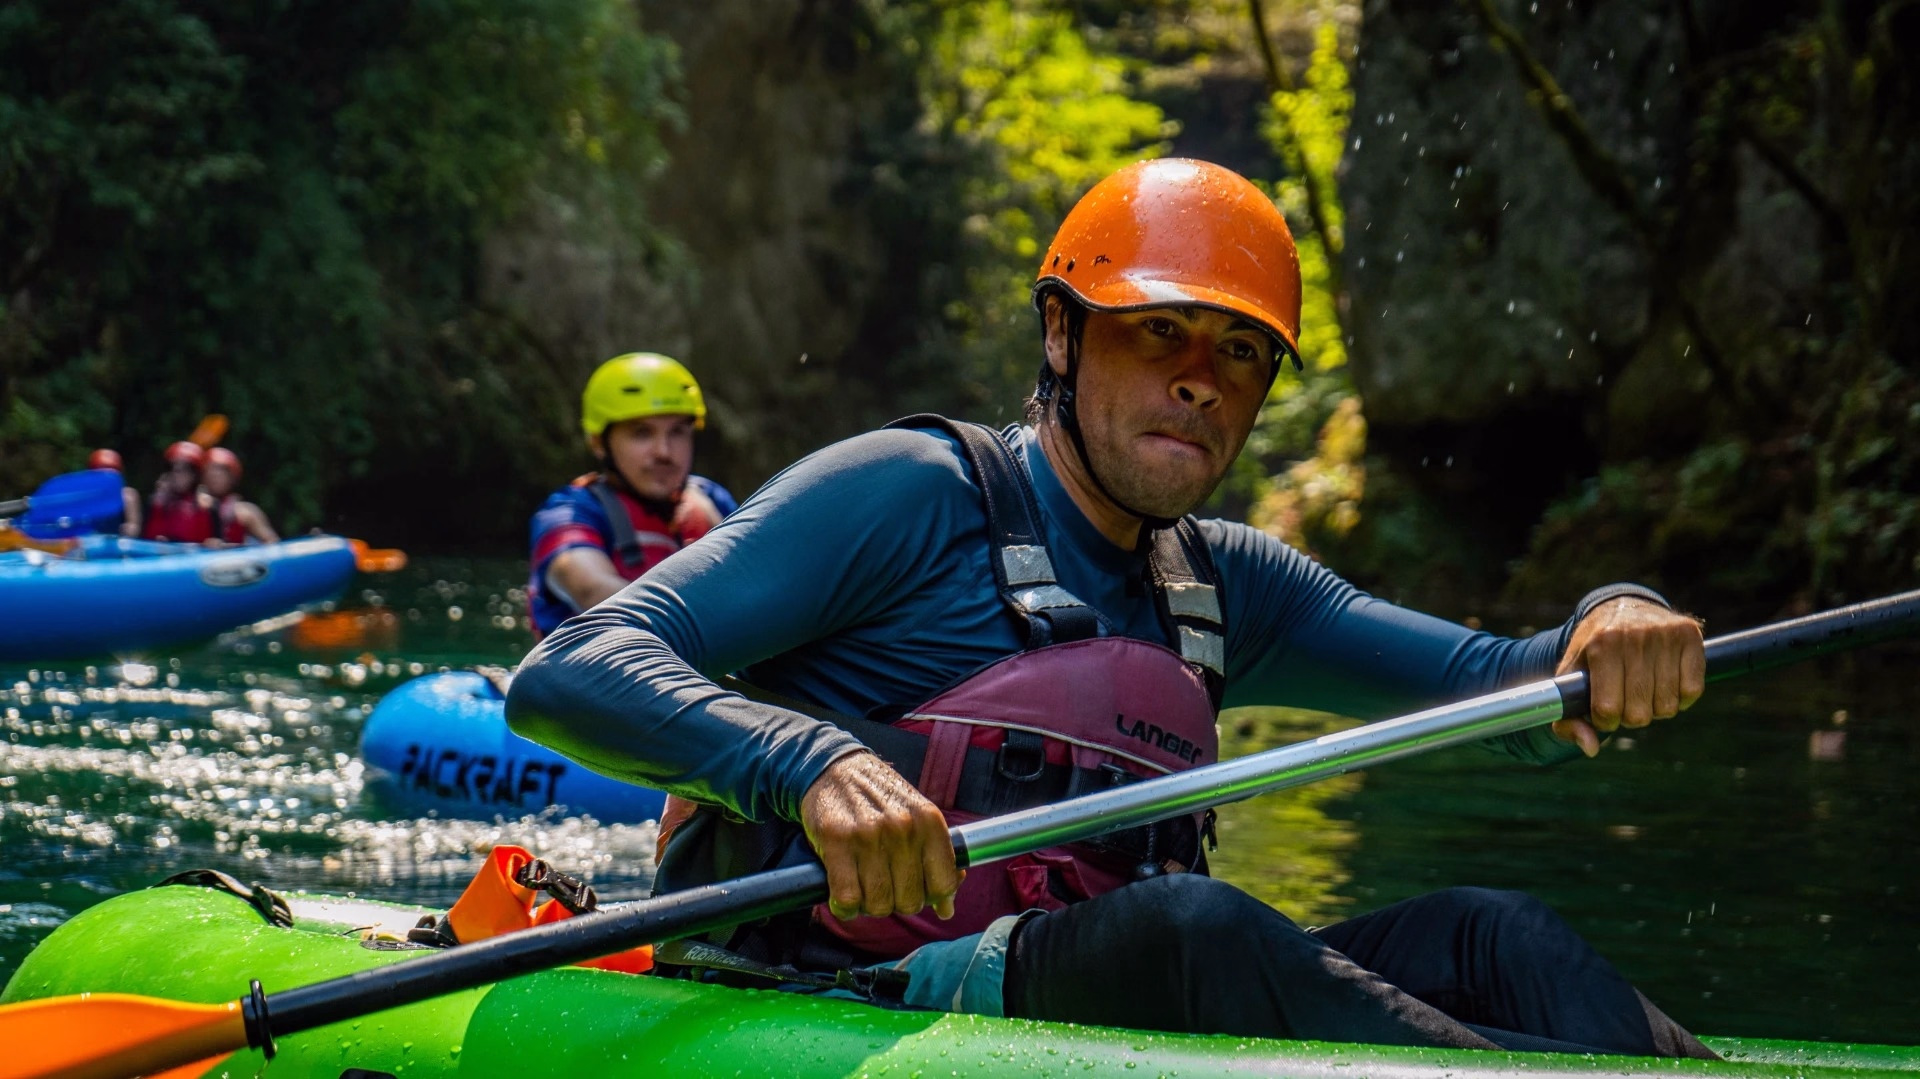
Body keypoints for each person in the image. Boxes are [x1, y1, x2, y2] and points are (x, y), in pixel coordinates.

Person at [505, 160, 1714, 1058]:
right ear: (1061, 334)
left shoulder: (1231, 580)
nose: (1201, 376)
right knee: (1190, 926)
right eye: (1160, 331)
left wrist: (1614, 614)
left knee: (1490, 933)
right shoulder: (908, 493)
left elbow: (1509, 689)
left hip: (1098, 981)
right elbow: (568, 668)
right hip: (821, 998)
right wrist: (802, 759)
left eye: (1242, 353)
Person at [525, 353, 738, 640]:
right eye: (642, 433)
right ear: (600, 444)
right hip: (600, 673)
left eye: (677, 432)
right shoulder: (569, 512)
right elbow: (590, 590)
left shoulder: (713, 500)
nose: (664, 451)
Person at [143, 441, 214, 544]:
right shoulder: (155, 502)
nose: (178, 475)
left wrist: (202, 510)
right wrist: (158, 507)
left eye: (185, 469)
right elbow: (146, 540)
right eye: (173, 469)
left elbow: (210, 542)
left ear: (195, 475)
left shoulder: (208, 505)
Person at [203, 447, 278, 545]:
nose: (215, 476)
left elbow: (273, 544)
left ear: (232, 478)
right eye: (210, 472)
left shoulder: (245, 512)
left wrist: (227, 547)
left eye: (221, 472)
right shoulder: (195, 508)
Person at [86, 448, 142, 537]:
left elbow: (134, 526)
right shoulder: (87, 496)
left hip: (117, 542)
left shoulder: (127, 495)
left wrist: (129, 529)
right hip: (92, 540)